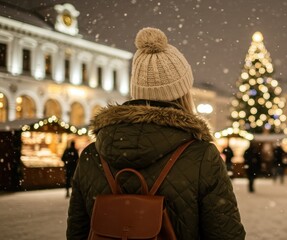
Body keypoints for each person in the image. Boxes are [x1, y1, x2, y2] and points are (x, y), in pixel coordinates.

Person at [66, 27, 245, 240]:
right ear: (183, 94)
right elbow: (226, 234)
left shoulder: (91, 155)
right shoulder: (203, 156)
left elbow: (77, 232)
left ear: (136, 91)